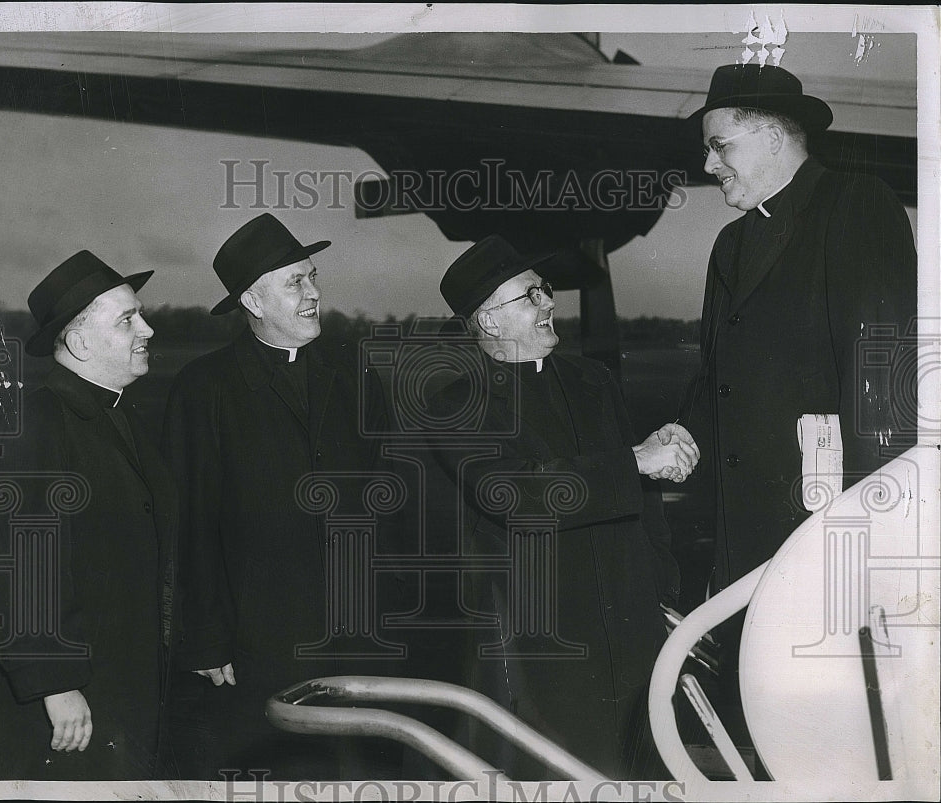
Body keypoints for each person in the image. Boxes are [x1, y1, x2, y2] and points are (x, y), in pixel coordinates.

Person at [427, 234, 699, 779]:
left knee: (650, 773)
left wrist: (662, 590)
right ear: (489, 322)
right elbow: (518, 496)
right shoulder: (457, 403)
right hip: (545, 650)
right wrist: (636, 461)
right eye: (530, 296)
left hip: (632, 629)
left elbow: (647, 511)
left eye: (545, 290)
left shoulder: (593, 381)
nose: (550, 302)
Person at [161, 213, 400, 779]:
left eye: (313, 277)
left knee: (354, 774)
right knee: (273, 773)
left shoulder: (354, 372)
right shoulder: (204, 388)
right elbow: (189, 523)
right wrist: (206, 640)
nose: (315, 293)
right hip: (256, 637)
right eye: (295, 282)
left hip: (356, 627)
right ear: (253, 302)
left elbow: (385, 494)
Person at [681, 63, 918, 594]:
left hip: (827, 522)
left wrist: (874, 525)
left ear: (769, 139)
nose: (708, 163)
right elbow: (718, 375)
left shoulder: (855, 204)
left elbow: (883, 382)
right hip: (742, 529)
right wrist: (682, 432)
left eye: (720, 146)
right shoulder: (730, 243)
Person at [0, 250, 177, 780]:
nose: (147, 329)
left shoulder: (121, 416)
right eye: (128, 319)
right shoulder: (37, 421)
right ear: (79, 343)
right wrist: (54, 684)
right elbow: (16, 559)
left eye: (141, 314)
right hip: (71, 701)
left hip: (120, 681)